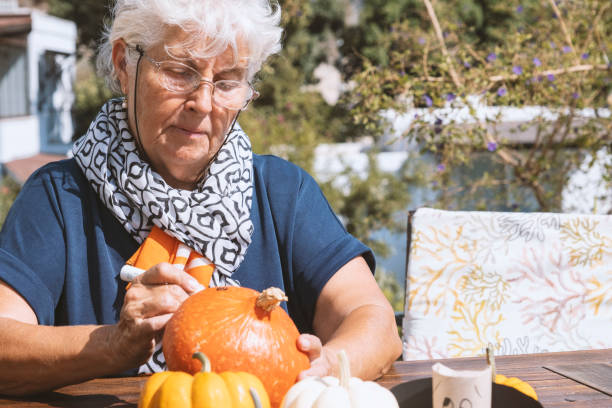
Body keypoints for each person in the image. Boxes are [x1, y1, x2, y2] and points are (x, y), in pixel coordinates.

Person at [0, 0, 401, 396]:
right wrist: (112, 344)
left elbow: (373, 319)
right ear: (124, 64)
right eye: (179, 72)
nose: (203, 103)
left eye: (227, 83)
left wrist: (327, 369)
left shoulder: (281, 192)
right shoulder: (60, 196)